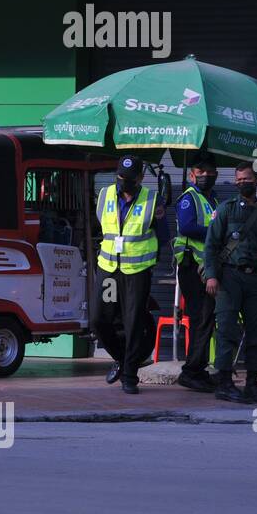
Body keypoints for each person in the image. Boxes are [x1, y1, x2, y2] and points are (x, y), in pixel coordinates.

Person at [204, 162, 257, 405]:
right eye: (238, 180)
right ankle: (225, 382)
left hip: (254, 279)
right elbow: (211, 245)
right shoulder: (226, 209)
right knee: (227, 330)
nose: (241, 184)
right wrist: (211, 275)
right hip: (229, 278)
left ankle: (252, 384)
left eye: (246, 179)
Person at [92, 155, 166, 395]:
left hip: (137, 271)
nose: (124, 182)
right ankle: (123, 360)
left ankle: (130, 375)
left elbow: (163, 235)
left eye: (129, 179)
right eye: (120, 177)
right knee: (99, 319)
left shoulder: (152, 200)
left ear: (141, 179)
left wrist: (150, 257)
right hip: (109, 268)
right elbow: (101, 227)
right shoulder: (105, 195)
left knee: (133, 322)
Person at [172, 154, 219, 393]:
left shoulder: (211, 199)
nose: (206, 177)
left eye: (210, 173)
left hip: (206, 268)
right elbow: (188, 226)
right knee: (201, 318)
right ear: (192, 175)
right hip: (192, 268)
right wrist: (215, 230)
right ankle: (191, 372)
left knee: (207, 319)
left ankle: (198, 369)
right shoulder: (188, 199)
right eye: (201, 173)